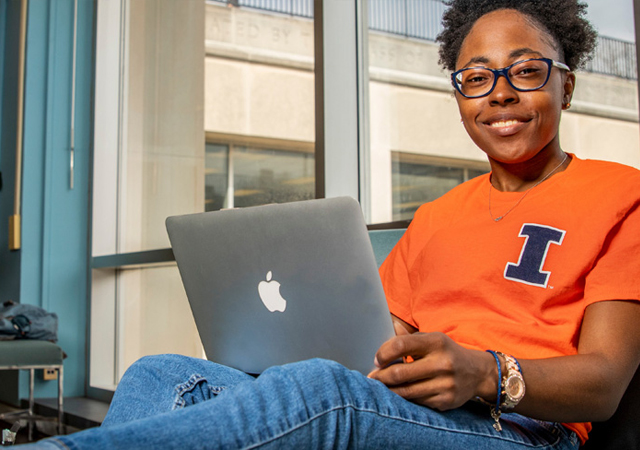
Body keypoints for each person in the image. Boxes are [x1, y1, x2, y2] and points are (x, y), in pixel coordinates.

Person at [20, 0, 640, 448]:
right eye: (476, 78)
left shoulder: (622, 193)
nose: (499, 93)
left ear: (567, 85)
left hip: (526, 432)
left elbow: (607, 381)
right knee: (157, 372)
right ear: (460, 98)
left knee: (324, 390)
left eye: (526, 71)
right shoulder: (436, 217)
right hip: (408, 411)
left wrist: (483, 372)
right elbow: (373, 343)